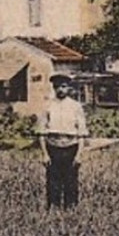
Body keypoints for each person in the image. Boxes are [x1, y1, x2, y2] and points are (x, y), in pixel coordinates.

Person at [37, 73, 88, 208]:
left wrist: (79, 155)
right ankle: (54, 207)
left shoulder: (76, 106)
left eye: (63, 86)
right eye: (57, 87)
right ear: (53, 88)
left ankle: (71, 208)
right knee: (53, 181)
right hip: (53, 147)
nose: (60, 89)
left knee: (71, 180)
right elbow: (41, 132)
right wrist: (44, 154)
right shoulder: (47, 106)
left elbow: (81, 133)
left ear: (68, 88)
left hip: (71, 147)